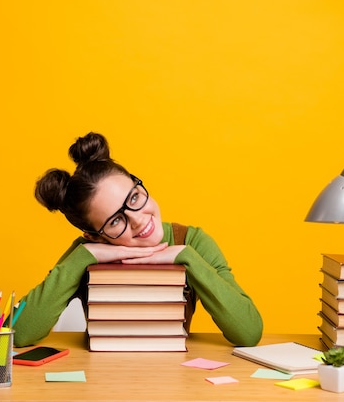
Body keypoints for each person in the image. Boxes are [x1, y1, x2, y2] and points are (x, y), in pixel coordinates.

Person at [13, 132, 263, 347]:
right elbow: (19, 333)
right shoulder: (86, 253)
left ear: (139, 185)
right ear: (94, 236)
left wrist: (186, 257)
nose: (138, 220)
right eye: (115, 221)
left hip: (174, 377)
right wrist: (83, 257)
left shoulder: (191, 241)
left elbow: (248, 332)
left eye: (133, 198)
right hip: (105, 379)